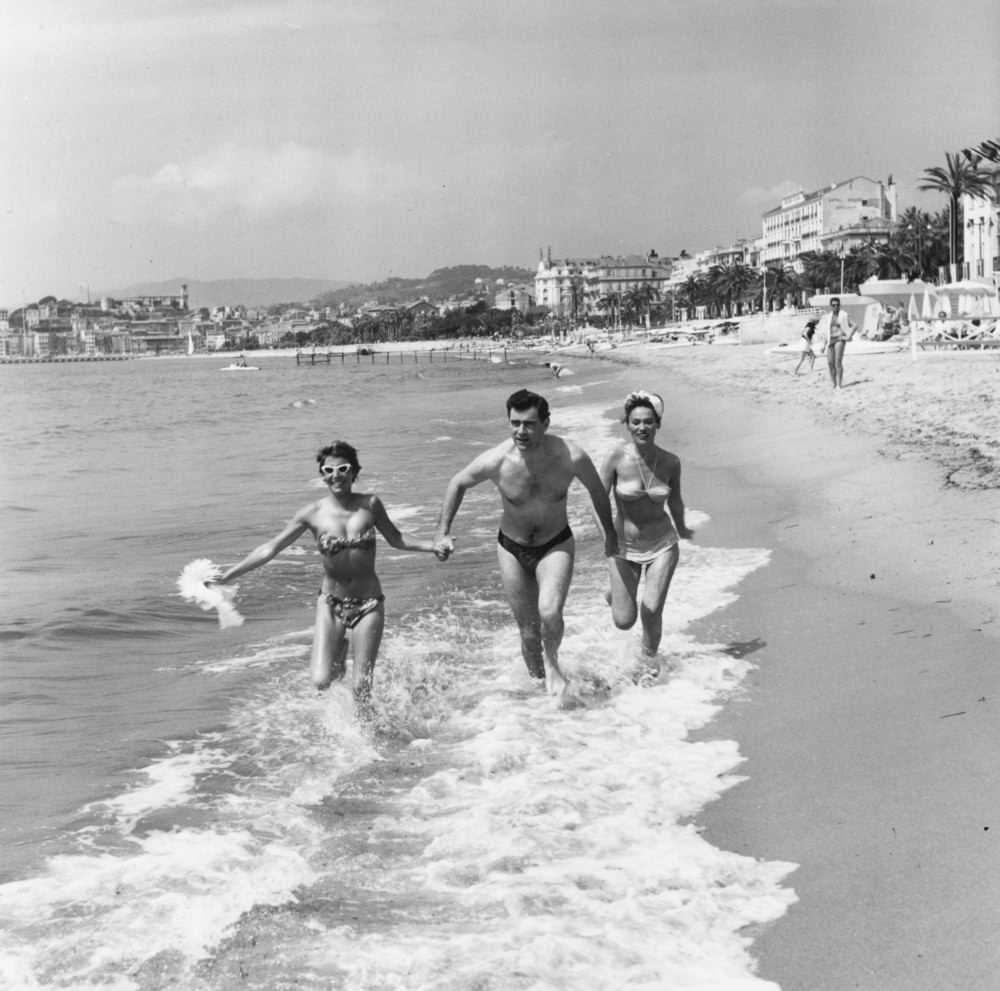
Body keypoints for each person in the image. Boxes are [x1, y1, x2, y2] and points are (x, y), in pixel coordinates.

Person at [210, 441, 447, 713]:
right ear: (321, 474)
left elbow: (396, 539)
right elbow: (270, 548)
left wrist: (432, 546)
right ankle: (341, 648)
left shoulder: (370, 505)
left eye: (343, 468)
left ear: (354, 471)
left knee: (361, 687)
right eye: (329, 470)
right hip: (331, 604)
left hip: (369, 604)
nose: (337, 475)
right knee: (322, 681)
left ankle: (368, 743)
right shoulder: (311, 513)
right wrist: (228, 576)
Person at [434, 389, 618, 696]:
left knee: (549, 612)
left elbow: (598, 492)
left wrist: (610, 538)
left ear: (546, 423)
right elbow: (458, 482)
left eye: (529, 423)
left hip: (555, 544)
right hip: (512, 549)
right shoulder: (498, 460)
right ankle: (539, 694)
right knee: (530, 634)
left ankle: (553, 664)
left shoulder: (571, 456)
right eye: (515, 422)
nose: (521, 431)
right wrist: (442, 530)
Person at [599, 390, 693, 665]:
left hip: (662, 543)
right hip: (623, 546)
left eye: (649, 421)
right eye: (636, 422)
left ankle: (648, 664)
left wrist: (683, 527)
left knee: (651, 610)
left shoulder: (670, 462)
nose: (643, 427)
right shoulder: (615, 458)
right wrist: (606, 536)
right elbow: (598, 500)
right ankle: (614, 591)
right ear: (626, 424)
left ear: (658, 424)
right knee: (624, 621)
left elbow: (674, 501)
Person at [818, 297, 857, 388]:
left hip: (839, 339)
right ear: (831, 306)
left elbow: (855, 325)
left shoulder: (844, 315)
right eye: (834, 305)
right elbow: (826, 331)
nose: (836, 306)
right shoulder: (828, 317)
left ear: (840, 305)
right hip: (830, 340)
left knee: (837, 362)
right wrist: (823, 345)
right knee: (830, 363)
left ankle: (839, 384)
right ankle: (834, 383)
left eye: (837, 304)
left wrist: (849, 336)